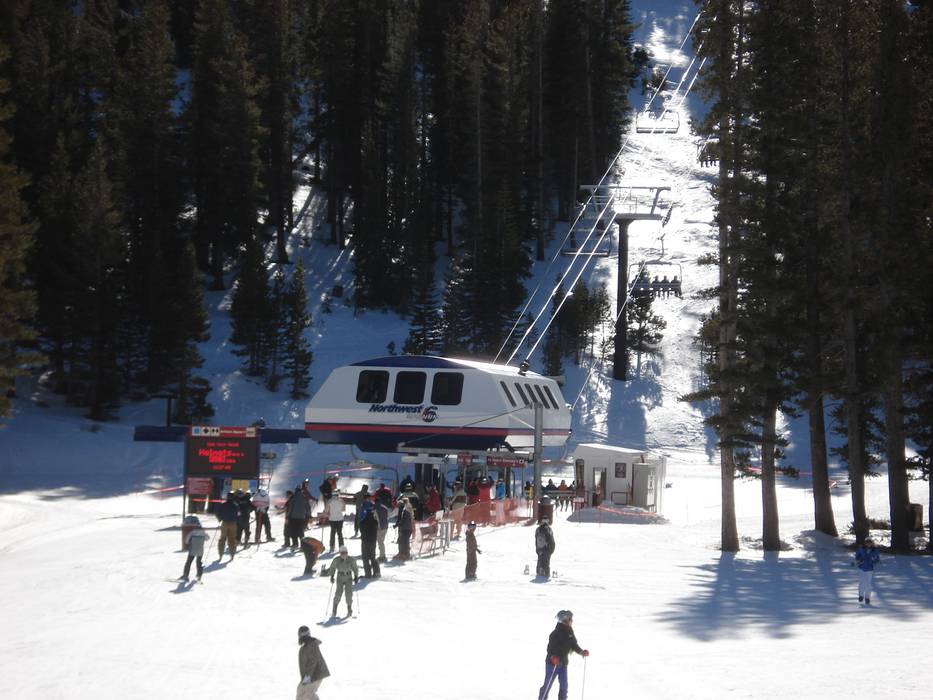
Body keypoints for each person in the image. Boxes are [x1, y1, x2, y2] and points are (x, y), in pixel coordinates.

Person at [537, 610, 589, 700]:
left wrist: (581, 652)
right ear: (564, 621)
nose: (572, 621)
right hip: (552, 664)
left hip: (563, 664)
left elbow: (574, 645)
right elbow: (550, 649)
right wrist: (553, 657)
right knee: (547, 685)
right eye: (570, 619)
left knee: (564, 687)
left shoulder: (570, 631)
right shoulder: (555, 633)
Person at [297, 625, 330, 700]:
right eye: (301, 635)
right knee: (300, 692)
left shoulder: (312, 645)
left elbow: (313, 660)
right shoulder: (303, 648)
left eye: (304, 635)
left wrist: (308, 676)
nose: (303, 637)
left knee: (308, 695)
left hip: (315, 675)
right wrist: (305, 677)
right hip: (307, 676)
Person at [328, 545, 359, 618]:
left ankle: (349, 609)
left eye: (345, 553)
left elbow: (355, 568)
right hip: (340, 577)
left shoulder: (351, 560)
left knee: (349, 594)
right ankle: (334, 610)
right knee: (338, 593)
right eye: (342, 553)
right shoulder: (336, 560)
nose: (344, 555)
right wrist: (332, 576)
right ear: (340, 553)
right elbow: (332, 567)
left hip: (348, 577)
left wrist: (356, 576)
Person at [181, 516, 208, 582]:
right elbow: (207, 538)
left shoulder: (192, 533)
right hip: (200, 551)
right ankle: (199, 575)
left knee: (188, 562)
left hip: (192, 550)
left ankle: (185, 575)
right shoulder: (204, 533)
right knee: (199, 562)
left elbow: (186, 541)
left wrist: (189, 542)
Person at [854, 537, 881, 605]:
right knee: (861, 582)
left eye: (870, 542)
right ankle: (861, 596)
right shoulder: (861, 549)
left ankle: (867, 598)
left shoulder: (875, 550)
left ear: (872, 543)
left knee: (868, 584)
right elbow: (857, 556)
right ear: (865, 543)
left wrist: (874, 561)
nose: (868, 544)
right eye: (867, 542)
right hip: (861, 568)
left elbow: (877, 559)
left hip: (869, 569)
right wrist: (859, 560)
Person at [215, 492, 240, 559]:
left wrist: (219, 518)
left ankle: (220, 554)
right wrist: (237, 520)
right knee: (232, 539)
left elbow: (218, 513)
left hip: (224, 523)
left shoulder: (223, 505)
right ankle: (232, 554)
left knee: (222, 538)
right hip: (233, 524)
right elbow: (239, 515)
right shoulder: (236, 506)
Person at [359, 503, 380, 578]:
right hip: (373, 540)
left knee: (365, 557)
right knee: (372, 556)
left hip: (365, 540)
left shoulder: (363, 521)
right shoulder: (375, 521)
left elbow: (361, 530)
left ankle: (368, 573)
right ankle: (376, 572)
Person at [374, 497, 390, 562]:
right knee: (381, 542)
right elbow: (388, 516)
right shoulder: (385, 508)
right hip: (385, 526)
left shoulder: (375, 508)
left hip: (380, 527)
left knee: (380, 542)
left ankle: (382, 556)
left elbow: (376, 518)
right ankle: (382, 555)